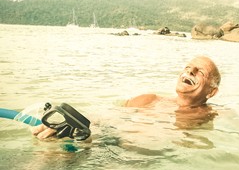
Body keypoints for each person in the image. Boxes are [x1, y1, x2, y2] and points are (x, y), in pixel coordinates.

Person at [32, 55, 221, 138]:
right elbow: (107, 114)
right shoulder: (149, 99)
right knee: (39, 162)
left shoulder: (212, 115)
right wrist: (73, 120)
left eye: (200, 72)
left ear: (211, 92)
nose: (190, 71)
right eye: (187, 67)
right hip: (96, 138)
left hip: (129, 160)